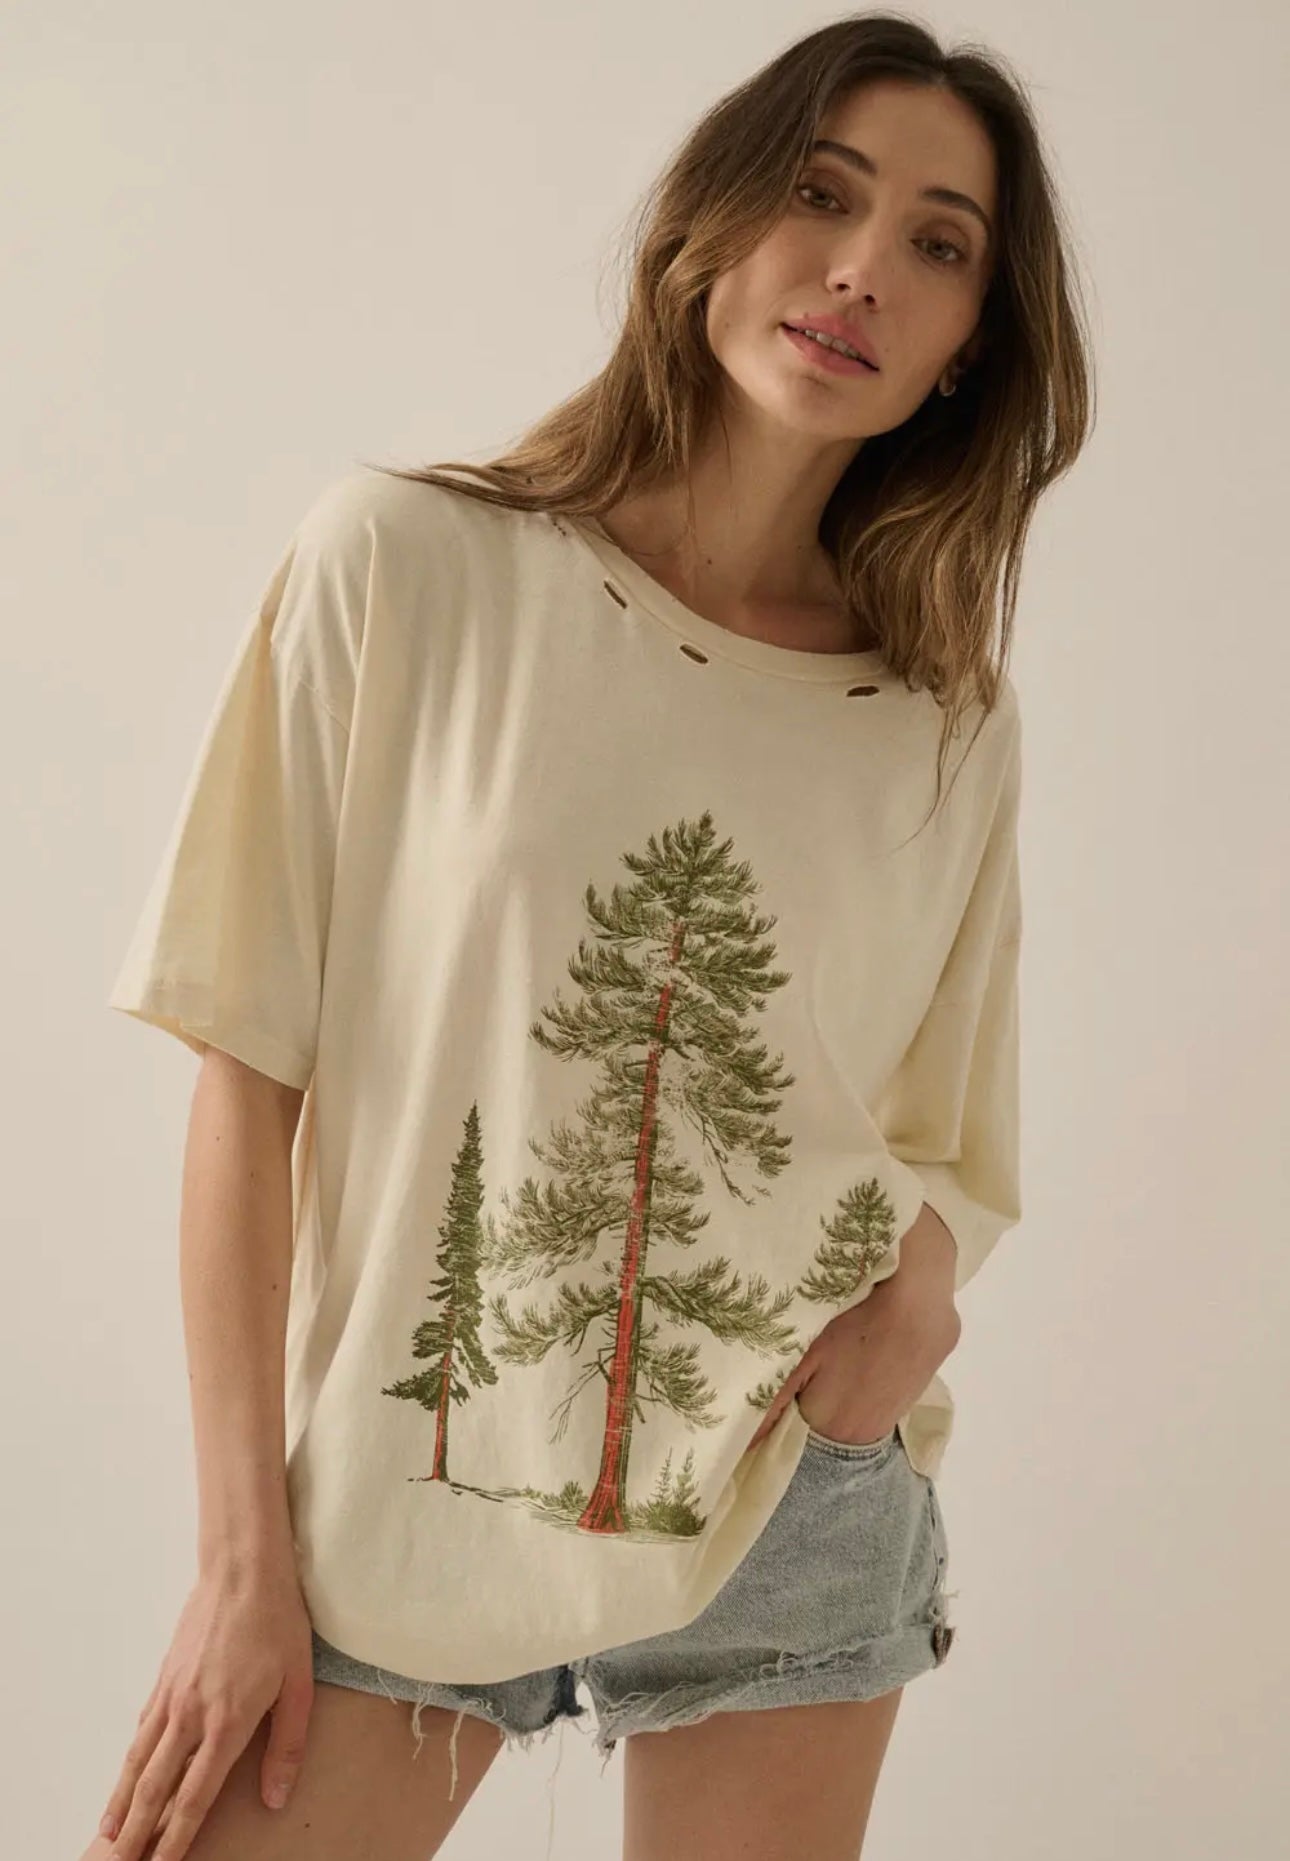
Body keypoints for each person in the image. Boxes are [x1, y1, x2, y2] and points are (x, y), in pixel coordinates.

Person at [85, 13, 1093, 1861]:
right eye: (821, 195)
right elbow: (248, 1074)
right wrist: (243, 1561)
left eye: (937, 244)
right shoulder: (406, 564)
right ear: (709, 223)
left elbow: (951, 1127)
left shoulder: (942, 719)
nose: (861, 269)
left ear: (967, 344)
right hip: (410, 1485)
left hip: (789, 1503)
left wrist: (903, 1323)